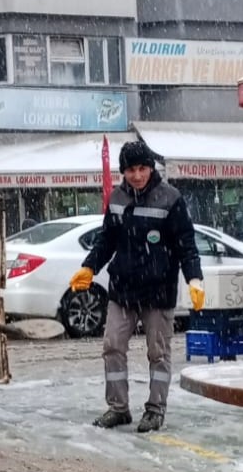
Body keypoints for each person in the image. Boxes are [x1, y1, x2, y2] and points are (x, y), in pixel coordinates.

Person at [69, 141, 204, 432]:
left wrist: (194, 278)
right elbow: (107, 240)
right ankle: (118, 408)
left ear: (150, 167)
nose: (137, 175)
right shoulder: (117, 197)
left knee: (158, 353)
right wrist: (89, 266)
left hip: (158, 291)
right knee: (112, 346)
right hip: (123, 289)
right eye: (131, 170)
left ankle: (155, 409)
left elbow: (187, 246)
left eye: (142, 168)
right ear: (124, 172)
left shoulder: (171, 198)